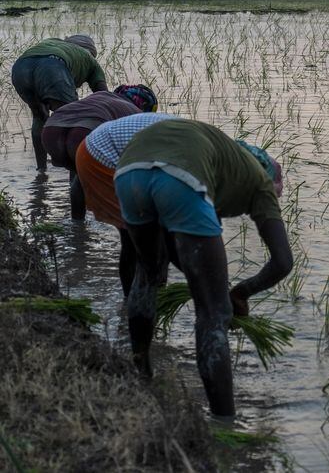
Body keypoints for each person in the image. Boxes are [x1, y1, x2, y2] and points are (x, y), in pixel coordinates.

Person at [115, 119, 293, 421]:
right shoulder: (260, 181)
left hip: (127, 173)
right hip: (180, 176)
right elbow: (283, 262)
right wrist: (239, 293)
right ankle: (225, 424)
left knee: (148, 273)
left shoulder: (223, 161)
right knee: (214, 314)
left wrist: (204, 281)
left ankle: (141, 374)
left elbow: (181, 253)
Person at [76, 109, 176, 294]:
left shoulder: (198, 141)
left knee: (152, 236)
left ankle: (145, 297)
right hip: (101, 156)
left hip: (100, 147)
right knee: (135, 237)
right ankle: (138, 302)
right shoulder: (198, 152)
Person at [42, 85, 158, 219]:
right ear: (145, 106)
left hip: (51, 130)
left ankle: (77, 227)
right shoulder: (136, 113)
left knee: (79, 178)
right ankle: (99, 227)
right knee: (83, 181)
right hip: (83, 132)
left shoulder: (101, 95)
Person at [10, 35, 107, 173]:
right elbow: (105, 96)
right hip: (53, 66)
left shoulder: (51, 42)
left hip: (20, 68)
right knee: (73, 120)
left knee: (39, 117)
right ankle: (75, 173)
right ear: (91, 52)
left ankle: (41, 170)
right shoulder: (89, 58)